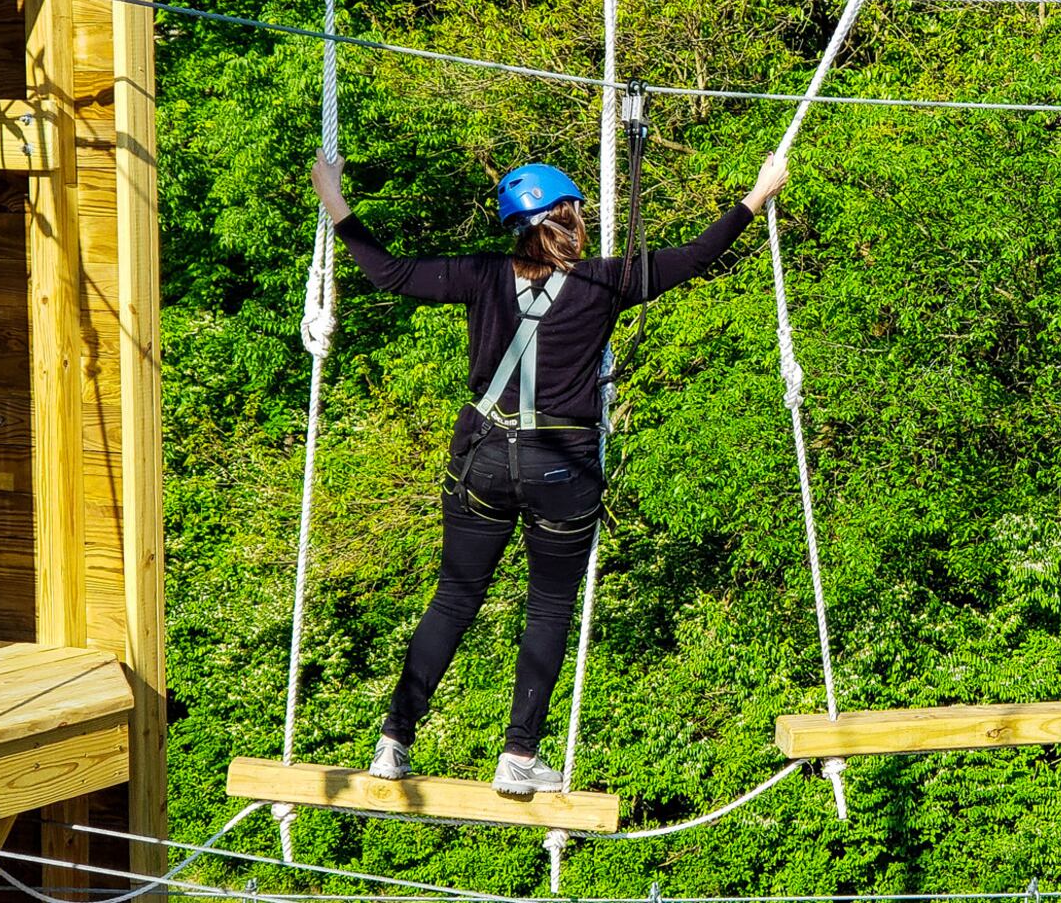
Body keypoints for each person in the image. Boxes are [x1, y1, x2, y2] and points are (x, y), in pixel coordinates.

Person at [310, 150, 790, 794]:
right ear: (569, 217)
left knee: (454, 599)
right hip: (561, 468)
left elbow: (391, 274)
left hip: (482, 454)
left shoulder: (481, 276)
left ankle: (394, 740)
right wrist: (756, 195)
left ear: (518, 226)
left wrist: (334, 200)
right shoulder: (605, 281)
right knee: (549, 607)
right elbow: (695, 256)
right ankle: (518, 754)